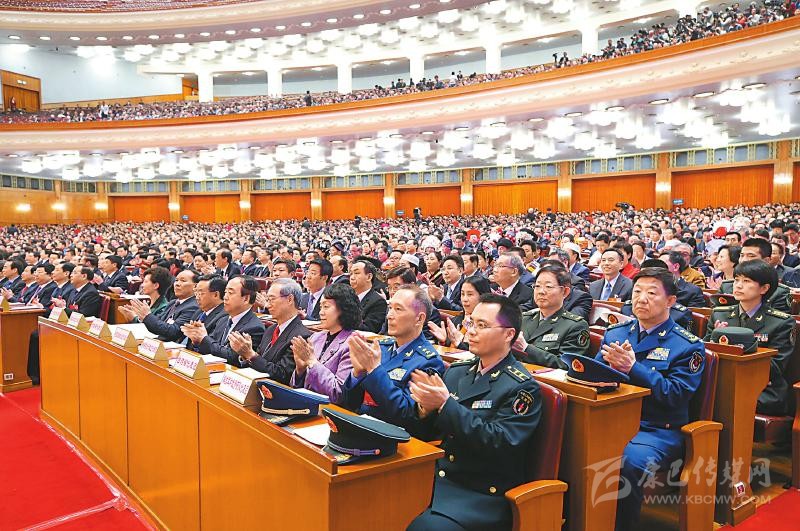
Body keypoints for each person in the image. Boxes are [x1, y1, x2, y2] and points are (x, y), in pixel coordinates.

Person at [407, 294, 541, 531]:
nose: (471, 331)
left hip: (481, 493)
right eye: (470, 323)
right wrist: (424, 410)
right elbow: (427, 433)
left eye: (482, 325)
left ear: (509, 334)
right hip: (439, 477)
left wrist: (446, 405)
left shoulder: (522, 387)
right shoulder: (458, 371)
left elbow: (500, 443)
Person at [597, 267, 705, 530]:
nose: (641, 299)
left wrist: (633, 368)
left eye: (652, 293)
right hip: (612, 419)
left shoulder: (688, 345)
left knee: (625, 462)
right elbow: (595, 376)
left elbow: (675, 395)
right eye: (637, 292)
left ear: (671, 301)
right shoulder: (616, 333)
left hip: (657, 428)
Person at [341, 284, 445, 428]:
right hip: (361, 424)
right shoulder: (382, 347)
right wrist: (357, 374)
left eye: (398, 309)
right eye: (390, 308)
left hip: (390, 433)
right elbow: (349, 403)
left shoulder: (428, 361)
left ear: (419, 319)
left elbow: (406, 414)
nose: (389, 316)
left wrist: (375, 370)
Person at [704, 260, 795, 416]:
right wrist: (715, 340)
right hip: (723, 382)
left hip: (763, 388)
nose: (738, 286)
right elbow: (703, 353)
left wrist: (734, 348)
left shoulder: (781, 322)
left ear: (764, 288)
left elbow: (775, 366)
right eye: (736, 280)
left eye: (746, 281)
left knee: (730, 401)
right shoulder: (720, 314)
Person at [28, 266, 102, 385]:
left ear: (84, 276)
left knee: (37, 335)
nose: (71, 275)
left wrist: (63, 307)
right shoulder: (74, 290)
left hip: (81, 329)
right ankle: (36, 374)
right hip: (68, 324)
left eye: (75, 273)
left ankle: (37, 375)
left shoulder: (90, 293)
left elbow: (83, 316)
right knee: (36, 333)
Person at [230, 278, 311, 383]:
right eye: (267, 300)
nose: (267, 305)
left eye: (272, 299)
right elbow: (259, 361)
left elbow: (283, 375)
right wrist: (244, 355)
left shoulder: (301, 336)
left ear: (290, 299)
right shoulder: (270, 329)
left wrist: (250, 354)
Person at [289, 282, 358, 403]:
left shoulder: (353, 344)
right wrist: (300, 369)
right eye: (321, 307)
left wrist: (312, 362)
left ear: (344, 309)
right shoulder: (316, 337)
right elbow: (295, 387)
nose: (321, 312)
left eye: (326, 307)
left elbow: (338, 393)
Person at [514, 265, 591, 368]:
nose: (541, 291)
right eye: (537, 286)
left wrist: (526, 348)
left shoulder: (576, 326)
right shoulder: (524, 318)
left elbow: (567, 365)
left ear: (565, 292)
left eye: (548, 287)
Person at [181, 276, 265, 365]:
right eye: (225, 292)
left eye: (230, 293)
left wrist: (203, 338)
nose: (225, 297)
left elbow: (232, 358)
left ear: (246, 299)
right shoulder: (223, 320)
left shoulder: (254, 327)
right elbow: (211, 348)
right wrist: (196, 341)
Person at [716, 238, 791, 312]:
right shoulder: (726, 287)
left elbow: (775, 318)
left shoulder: (779, 292)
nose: (744, 260)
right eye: (742, 256)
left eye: (751, 256)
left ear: (766, 260)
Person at [127, 269, 199, 342]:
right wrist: (142, 316)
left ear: (195, 286)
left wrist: (147, 316)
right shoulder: (173, 303)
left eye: (183, 281)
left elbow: (173, 332)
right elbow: (159, 322)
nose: (177, 284)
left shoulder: (193, 307)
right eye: (176, 280)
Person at [428, 275, 492, 350]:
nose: (464, 299)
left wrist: (460, 344)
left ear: (483, 296)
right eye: (462, 294)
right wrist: (443, 342)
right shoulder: (455, 320)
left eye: (470, 294)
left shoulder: (488, 325)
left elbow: (480, 353)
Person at [349, 260, 388, 334]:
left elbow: (369, 329)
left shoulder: (378, 302)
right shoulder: (346, 297)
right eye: (351, 273)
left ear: (369, 277)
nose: (352, 277)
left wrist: (341, 321)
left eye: (356, 273)